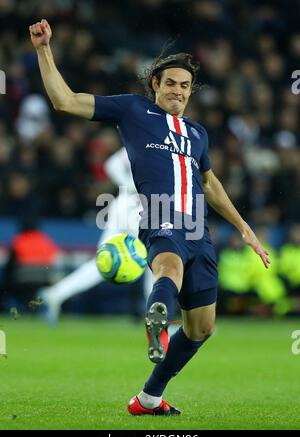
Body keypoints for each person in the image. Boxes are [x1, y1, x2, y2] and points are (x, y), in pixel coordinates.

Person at [30, 19, 270, 416]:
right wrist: (44, 49)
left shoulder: (196, 134)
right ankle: (157, 318)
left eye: (185, 85)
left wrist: (245, 228)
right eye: (171, 82)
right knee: (168, 268)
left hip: (199, 229)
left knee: (201, 329)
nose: (178, 90)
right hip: (159, 212)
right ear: (155, 84)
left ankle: (148, 399)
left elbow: (210, 184)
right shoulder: (132, 109)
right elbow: (65, 101)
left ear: (191, 92)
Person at [40, 147, 154, 324]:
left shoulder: (147, 138)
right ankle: (158, 319)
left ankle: (55, 294)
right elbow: (112, 165)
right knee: (154, 258)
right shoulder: (148, 140)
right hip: (134, 207)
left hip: (126, 206)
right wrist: (133, 187)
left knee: (104, 260)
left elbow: (112, 165)